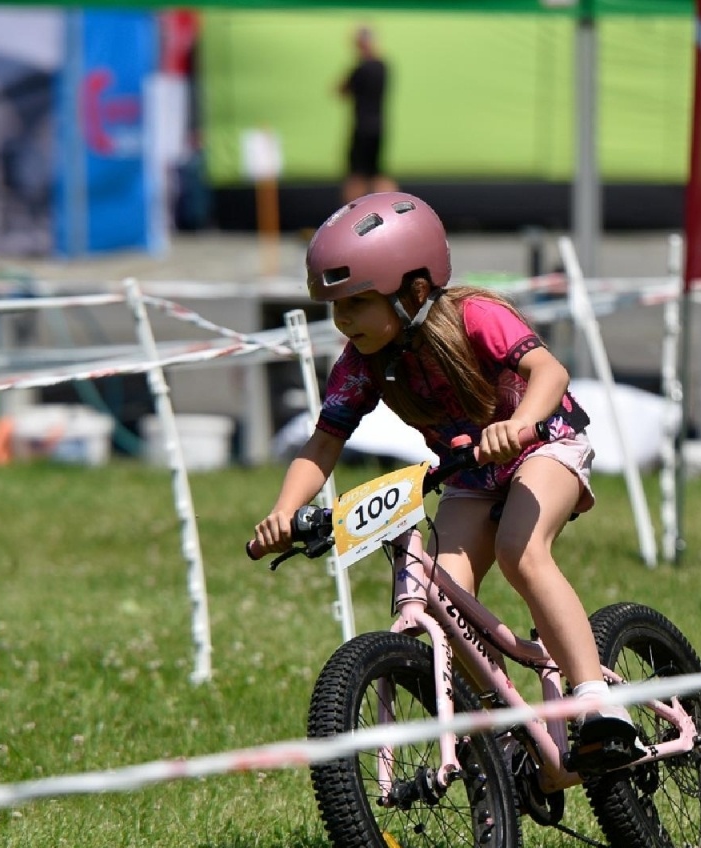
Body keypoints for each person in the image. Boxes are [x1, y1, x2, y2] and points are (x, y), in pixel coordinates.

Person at [252, 192, 643, 774]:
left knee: (521, 552)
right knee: (442, 598)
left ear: (413, 289)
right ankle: (506, 727)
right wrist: (285, 510)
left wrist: (520, 423)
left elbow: (548, 370)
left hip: (545, 444)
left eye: (358, 302)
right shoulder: (362, 363)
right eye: (337, 307)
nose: (345, 321)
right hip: (470, 473)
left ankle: (597, 703)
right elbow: (324, 442)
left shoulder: (472, 314)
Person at [338, 27, 395, 204]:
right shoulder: (383, 66)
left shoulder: (361, 68)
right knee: (377, 172)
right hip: (379, 125)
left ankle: (351, 216)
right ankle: (395, 209)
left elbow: (341, 90)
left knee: (356, 175)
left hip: (362, 126)